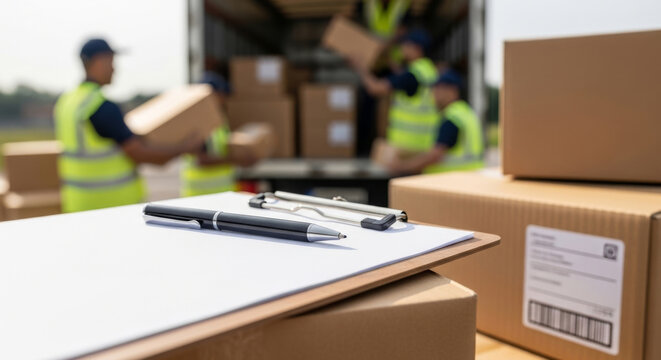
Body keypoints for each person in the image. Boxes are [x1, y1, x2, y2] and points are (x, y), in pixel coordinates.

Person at [54, 38, 202, 213]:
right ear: (100, 61)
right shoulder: (100, 106)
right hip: (112, 208)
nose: (114, 68)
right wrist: (184, 148)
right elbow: (139, 153)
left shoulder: (66, 102)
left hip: (79, 206)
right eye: (111, 61)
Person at [349, 29, 439, 160]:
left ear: (417, 49)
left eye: (406, 45)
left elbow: (375, 88)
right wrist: (389, 60)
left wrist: (359, 67)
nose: (402, 49)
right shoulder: (426, 69)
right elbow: (401, 77)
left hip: (408, 146)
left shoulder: (412, 75)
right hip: (422, 143)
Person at [385, 69, 485, 174]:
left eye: (438, 89)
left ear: (453, 91)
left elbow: (434, 156)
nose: (434, 94)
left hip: (450, 182)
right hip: (469, 180)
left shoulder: (452, 118)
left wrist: (401, 167)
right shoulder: (466, 113)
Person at [180, 72, 258, 197]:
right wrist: (238, 160)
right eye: (222, 93)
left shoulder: (217, 120)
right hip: (201, 198)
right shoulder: (199, 121)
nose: (225, 98)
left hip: (217, 196)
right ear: (211, 94)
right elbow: (202, 160)